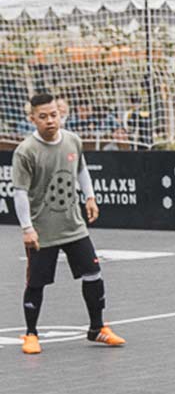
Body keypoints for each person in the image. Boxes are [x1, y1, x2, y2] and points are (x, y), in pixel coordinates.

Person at [12, 93, 126, 354]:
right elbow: (19, 192)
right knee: (36, 283)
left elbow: (81, 170)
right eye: (43, 117)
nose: (50, 121)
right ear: (32, 119)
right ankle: (31, 334)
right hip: (42, 230)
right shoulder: (25, 151)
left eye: (54, 115)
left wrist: (90, 197)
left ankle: (97, 328)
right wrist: (27, 228)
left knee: (93, 274)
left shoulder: (73, 140)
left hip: (74, 225)